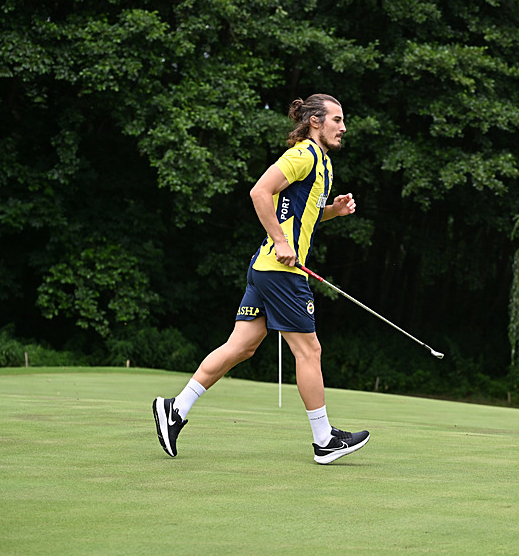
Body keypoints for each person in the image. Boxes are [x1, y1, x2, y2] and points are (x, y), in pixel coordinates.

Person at [153, 94, 370, 464]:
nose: (343, 126)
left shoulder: (323, 164)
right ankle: (324, 440)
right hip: (281, 271)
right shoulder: (304, 155)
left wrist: (332, 211)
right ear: (316, 122)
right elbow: (260, 192)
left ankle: (175, 409)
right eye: (336, 119)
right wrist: (282, 242)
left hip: (266, 268)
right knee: (310, 350)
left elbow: (301, 215)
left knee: (242, 346)